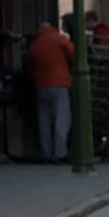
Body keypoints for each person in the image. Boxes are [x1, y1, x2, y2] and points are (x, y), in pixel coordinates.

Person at [27, 20, 74, 162]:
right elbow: (73, 53)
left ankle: (46, 153)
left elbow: (30, 66)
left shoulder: (34, 45)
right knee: (61, 119)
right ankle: (60, 153)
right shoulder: (59, 39)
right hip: (59, 84)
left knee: (44, 121)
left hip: (41, 86)